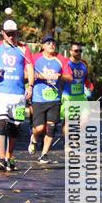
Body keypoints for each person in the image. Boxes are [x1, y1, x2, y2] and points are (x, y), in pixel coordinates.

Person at [0, 19, 34, 171]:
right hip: (0, 92)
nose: (11, 37)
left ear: (17, 33)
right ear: (3, 33)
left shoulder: (23, 49)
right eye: (8, 34)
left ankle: (9, 157)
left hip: (18, 94)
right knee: (1, 123)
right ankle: (1, 158)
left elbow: (30, 67)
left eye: (14, 34)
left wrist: (30, 85)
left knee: (14, 129)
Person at [29, 35, 72, 163]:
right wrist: (39, 76)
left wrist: (59, 76)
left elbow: (70, 77)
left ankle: (44, 154)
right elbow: (26, 73)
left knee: (51, 127)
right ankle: (34, 139)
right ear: (43, 46)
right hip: (38, 98)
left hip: (54, 99)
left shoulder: (61, 59)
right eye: (48, 43)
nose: (51, 45)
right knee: (39, 128)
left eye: (53, 43)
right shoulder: (35, 58)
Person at [61, 42, 93, 136]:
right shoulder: (66, 63)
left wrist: (89, 85)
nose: (78, 53)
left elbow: (86, 79)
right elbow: (60, 78)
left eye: (80, 51)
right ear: (70, 51)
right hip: (68, 96)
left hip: (81, 97)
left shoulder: (83, 64)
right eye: (76, 51)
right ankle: (68, 140)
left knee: (86, 119)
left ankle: (73, 134)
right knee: (68, 122)